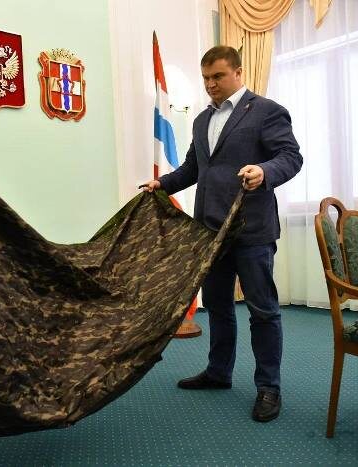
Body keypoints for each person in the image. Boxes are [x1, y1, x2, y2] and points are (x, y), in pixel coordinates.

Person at [142, 46, 302, 422]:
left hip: (252, 230)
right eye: (206, 78)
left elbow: (290, 157)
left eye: (218, 76)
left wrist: (265, 171)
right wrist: (162, 184)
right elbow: (193, 168)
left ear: (238, 73)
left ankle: (269, 388)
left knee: (263, 311)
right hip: (210, 232)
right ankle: (218, 372)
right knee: (217, 306)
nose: (211, 84)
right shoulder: (201, 120)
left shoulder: (266, 110)